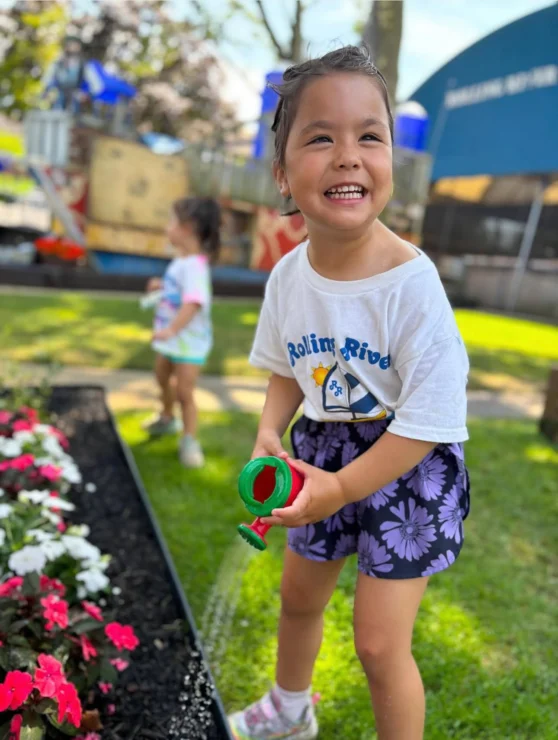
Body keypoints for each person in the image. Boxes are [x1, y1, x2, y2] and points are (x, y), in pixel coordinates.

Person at [228, 46, 470, 740]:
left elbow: (428, 422)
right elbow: (283, 367)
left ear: (392, 158)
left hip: (408, 463)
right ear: (281, 174)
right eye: (321, 137)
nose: (348, 155)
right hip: (322, 450)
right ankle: (289, 710)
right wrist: (272, 431)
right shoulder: (288, 278)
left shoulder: (411, 287)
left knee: (378, 644)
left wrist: (342, 489)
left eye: (370, 135)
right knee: (297, 597)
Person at [144, 197, 220, 468]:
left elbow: (193, 302)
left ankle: (190, 440)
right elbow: (179, 292)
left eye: (172, 221)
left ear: (188, 228)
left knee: (184, 392)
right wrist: (161, 287)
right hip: (173, 339)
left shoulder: (195, 266)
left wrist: (171, 329)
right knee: (162, 376)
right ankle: (166, 418)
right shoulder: (181, 262)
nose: (168, 227)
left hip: (189, 343)